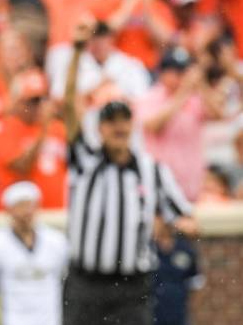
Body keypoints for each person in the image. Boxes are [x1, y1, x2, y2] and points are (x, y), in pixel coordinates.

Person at [62, 20, 196, 325]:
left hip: (133, 286)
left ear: (132, 123)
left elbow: (188, 220)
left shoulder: (153, 171)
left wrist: (171, 225)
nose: (118, 126)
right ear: (100, 127)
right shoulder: (85, 159)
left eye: (124, 119)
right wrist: (77, 52)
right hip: (86, 283)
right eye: (111, 120)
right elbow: (70, 105)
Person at [0, 182, 69, 325]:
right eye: (21, 205)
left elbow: (73, 284)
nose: (27, 211)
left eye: (30, 205)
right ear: (8, 210)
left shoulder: (57, 242)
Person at [137, 48, 224, 201]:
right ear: (163, 73)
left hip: (192, 186)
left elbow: (219, 115)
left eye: (184, 72)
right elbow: (153, 126)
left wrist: (201, 84)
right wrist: (183, 92)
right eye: (176, 72)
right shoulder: (150, 97)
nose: (182, 77)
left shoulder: (195, 97)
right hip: (160, 186)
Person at [0, 69, 67, 208]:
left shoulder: (58, 128)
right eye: (32, 101)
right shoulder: (6, 129)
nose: (38, 106)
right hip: (19, 218)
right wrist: (44, 129)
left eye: (42, 99)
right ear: (17, 103)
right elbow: (22, 167)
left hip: (58, 211)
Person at [152, 218, 204, 325]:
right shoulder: (149, 249)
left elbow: (196, 282)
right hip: (153, 310)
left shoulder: (184, 249)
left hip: (178, 310)